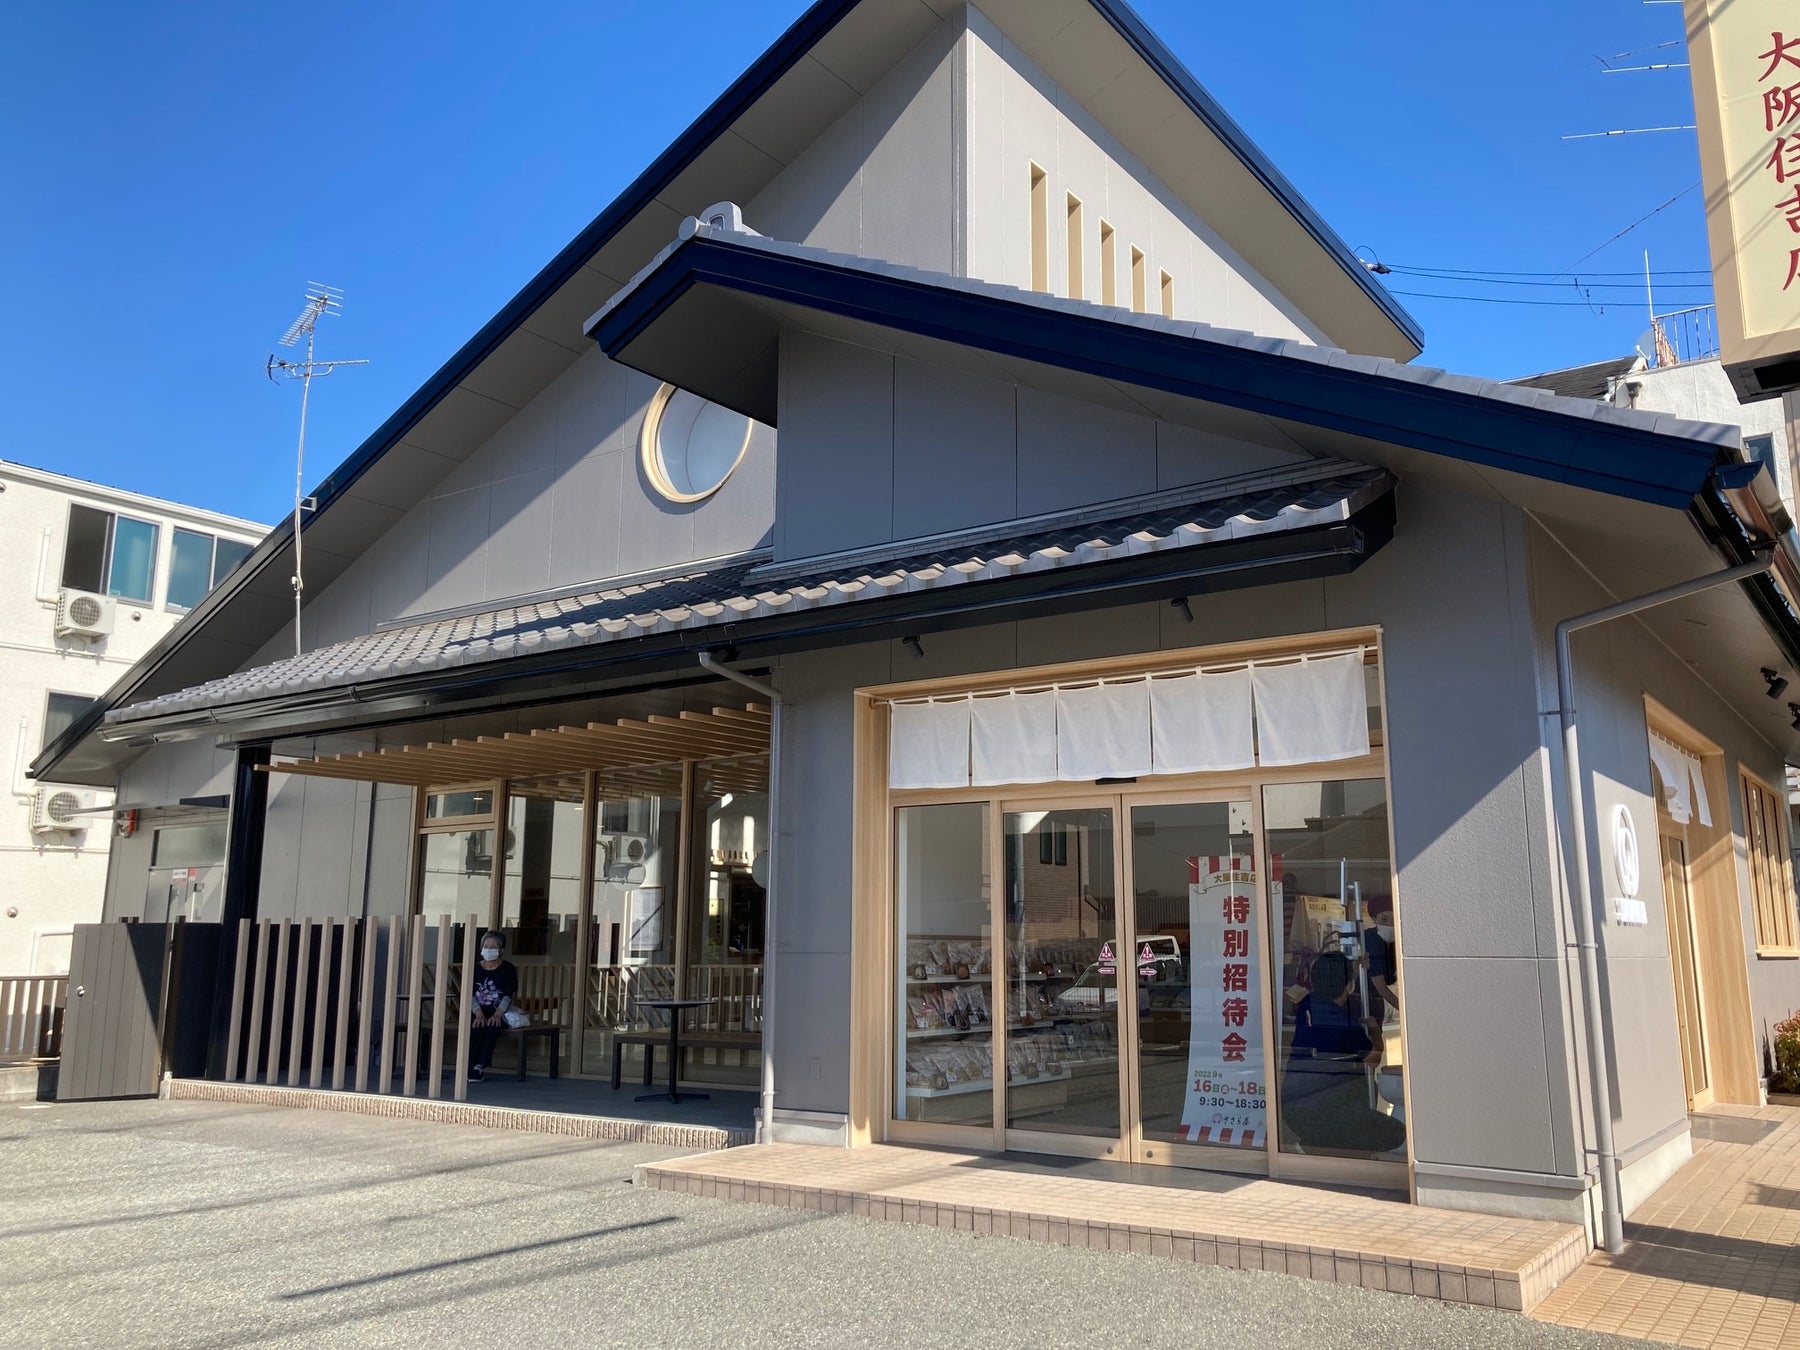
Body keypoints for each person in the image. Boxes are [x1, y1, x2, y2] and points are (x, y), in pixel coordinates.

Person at [1281, 950, 1404, 1155]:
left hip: (1293, 1109)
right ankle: (1322, 1147)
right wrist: (1374, 1028)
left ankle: (1315, 1145)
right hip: (1332, 1112)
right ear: (1349, 987)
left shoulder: (1306, 1004)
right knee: (1397, 1133)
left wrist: (1353, 968)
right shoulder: (1344, 1024)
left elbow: (1329, 980)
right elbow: (1374, 1059)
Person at [468, 931, 518, 1082]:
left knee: (492, 1027)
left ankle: (479, 1066)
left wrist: (497, 1014)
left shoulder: (508, 968)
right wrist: (478, 1014)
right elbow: (468, 993)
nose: (488, 949)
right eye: (486, 946)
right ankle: (470, 1065)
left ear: (501, 950)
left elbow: (508, 994)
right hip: (477, 1011)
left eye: (493, 946)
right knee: (477, 1028)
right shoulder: (475, 968)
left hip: (499, 1011)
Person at [1362, 895, 1399, 1014]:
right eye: (1384, 919)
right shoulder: (1371, 940)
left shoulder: (1396, 941)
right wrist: (1408, 1013)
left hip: (1376, 1002)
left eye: (1394, 920)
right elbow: (1382, 988)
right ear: (1374, 919)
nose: (1390, 924)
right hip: (1363, 1002)